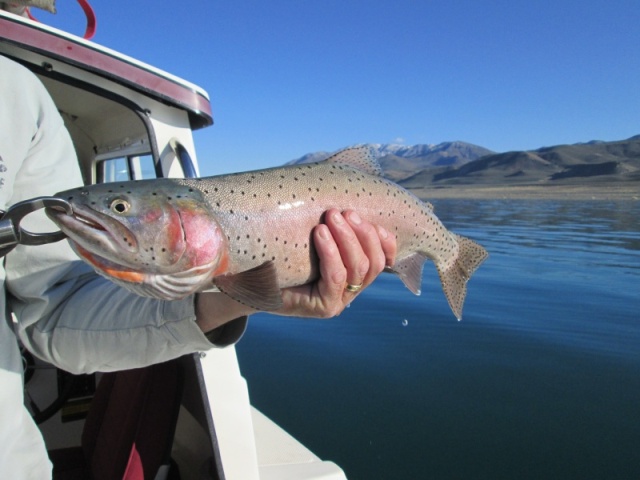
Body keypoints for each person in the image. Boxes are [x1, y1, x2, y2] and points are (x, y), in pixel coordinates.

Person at [0, 55, 396, 478]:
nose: (112, 214)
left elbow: (54, 310)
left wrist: (237, 300)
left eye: (120, 207)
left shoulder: (19, 94)